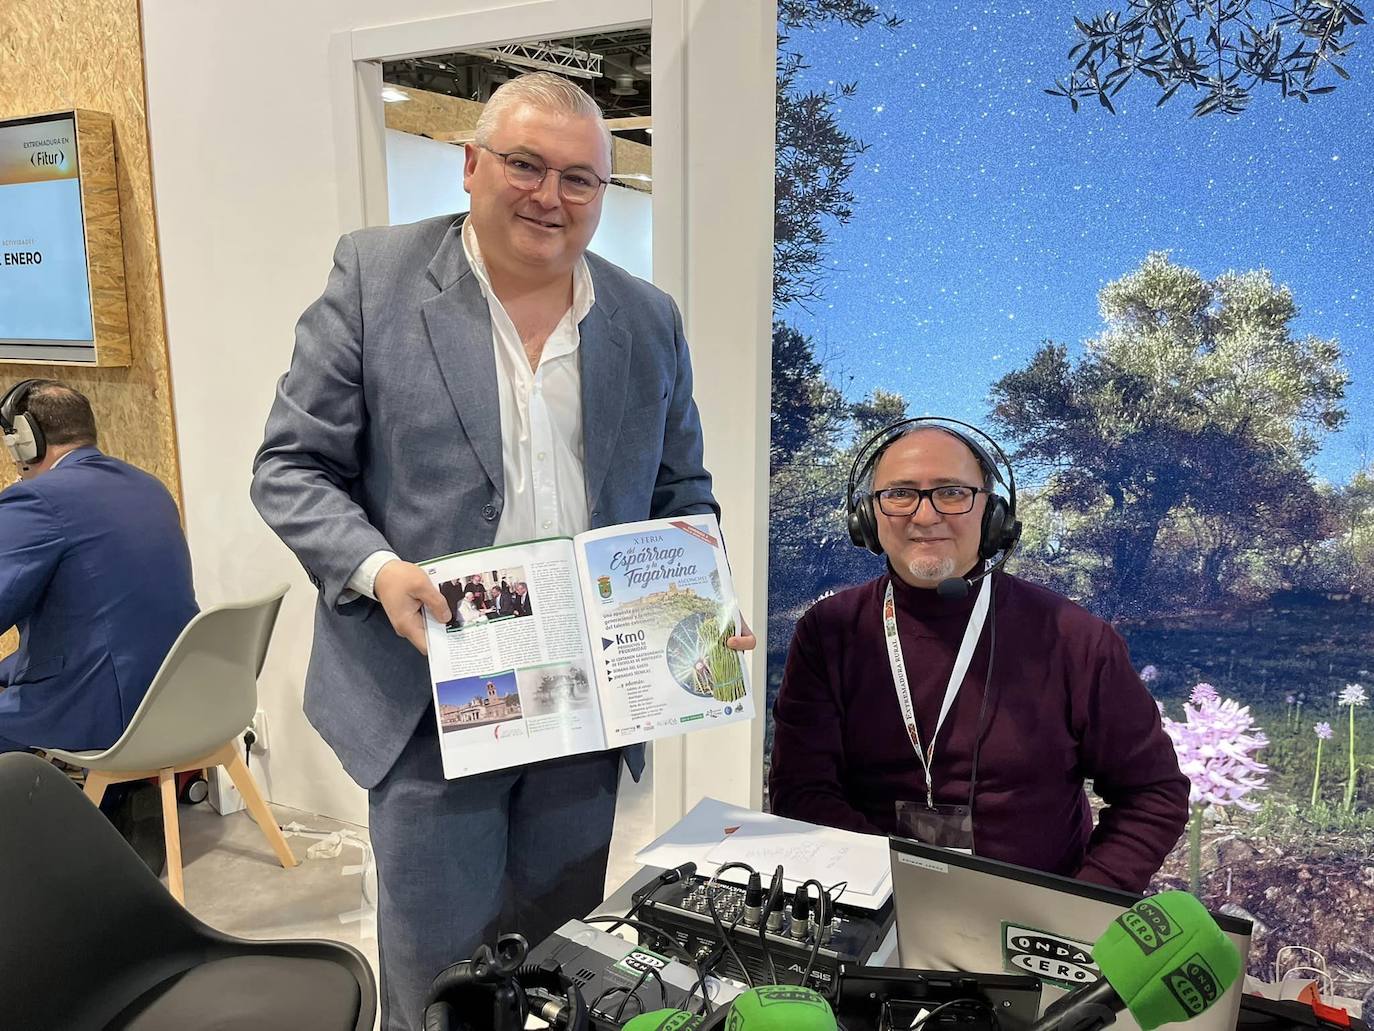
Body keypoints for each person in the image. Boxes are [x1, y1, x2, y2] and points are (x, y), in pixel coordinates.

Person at [250, 72, 753, 1030]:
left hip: (582, 701)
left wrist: (703, 605)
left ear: (605, 193)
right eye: (524, 164)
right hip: (431, 690)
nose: (548, 196)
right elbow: (290, 468)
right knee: (439, 982)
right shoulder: (374, 279)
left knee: (556, 964)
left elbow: (679, 495)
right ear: (473, 165)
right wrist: (378, 571)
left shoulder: (649, 319)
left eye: (579, 178)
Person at [768, 420, 1188, 893]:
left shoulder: (1076, 639)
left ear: (994, 515)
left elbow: (1153, 793)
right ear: (868, 518)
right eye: (900, 494)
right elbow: (801, 790)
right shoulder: (828, 631)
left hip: (1032, 918)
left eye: (951, 493)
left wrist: (1080, 905)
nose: (925, 516)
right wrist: (897, 890)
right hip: (869, 900)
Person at [0, 379, 198, 752]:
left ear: (25, 440)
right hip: (174, 697)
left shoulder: (37, 499)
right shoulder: (149, 487)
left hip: (98, 709)